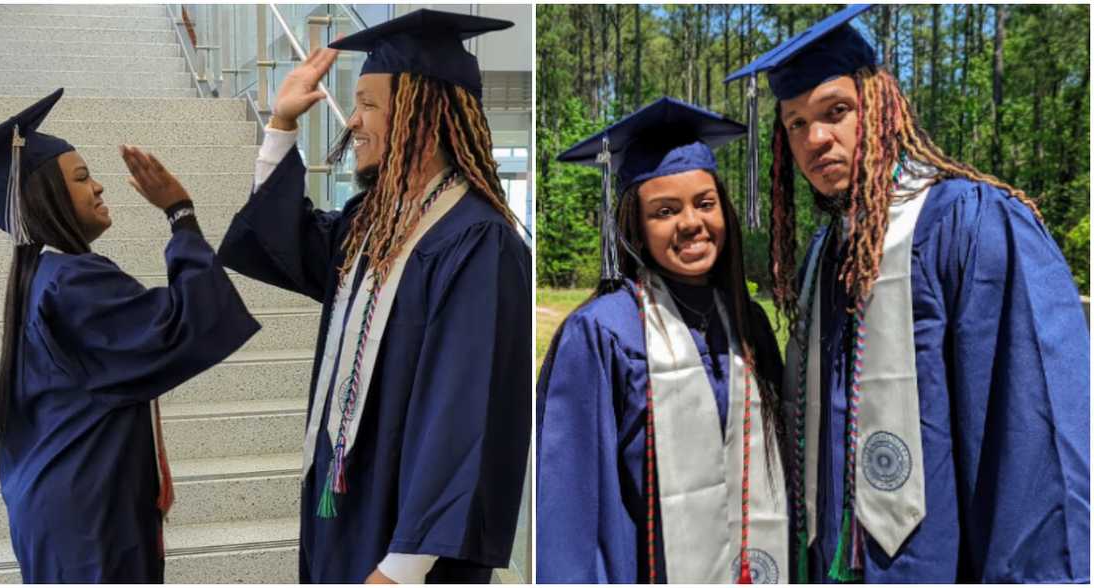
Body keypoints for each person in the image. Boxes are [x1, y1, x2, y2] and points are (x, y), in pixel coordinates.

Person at [727, 5, 1090, 583]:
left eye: (835, 111)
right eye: (796, 123)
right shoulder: (827, 252)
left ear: (880, 106)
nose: (815, 138)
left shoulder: (971, 225)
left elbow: (1034, 439)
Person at [217, 9, 531, 584]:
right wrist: (281, 122)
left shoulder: (477, 242)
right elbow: (281, 242)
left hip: (407, 547)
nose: (352, 121)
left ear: (425, 115)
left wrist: (403, 567)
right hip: (341, 502)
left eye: (369, 104)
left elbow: (463, 414)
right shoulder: (371, 223)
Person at [0, 88, 260, 582]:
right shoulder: (71, 282)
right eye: (83, 178)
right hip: (88, 519)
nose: (100, 187)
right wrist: (180, 214)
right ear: (47, 197)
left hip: (60, 506)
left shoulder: (40, 280)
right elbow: (183, 325)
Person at [537, 97, 788, 584]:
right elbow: (571, 506)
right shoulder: (603, 334)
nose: (691, 222)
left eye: (705, 203)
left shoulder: (747, 322)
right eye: (665, 211)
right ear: (635, 226)